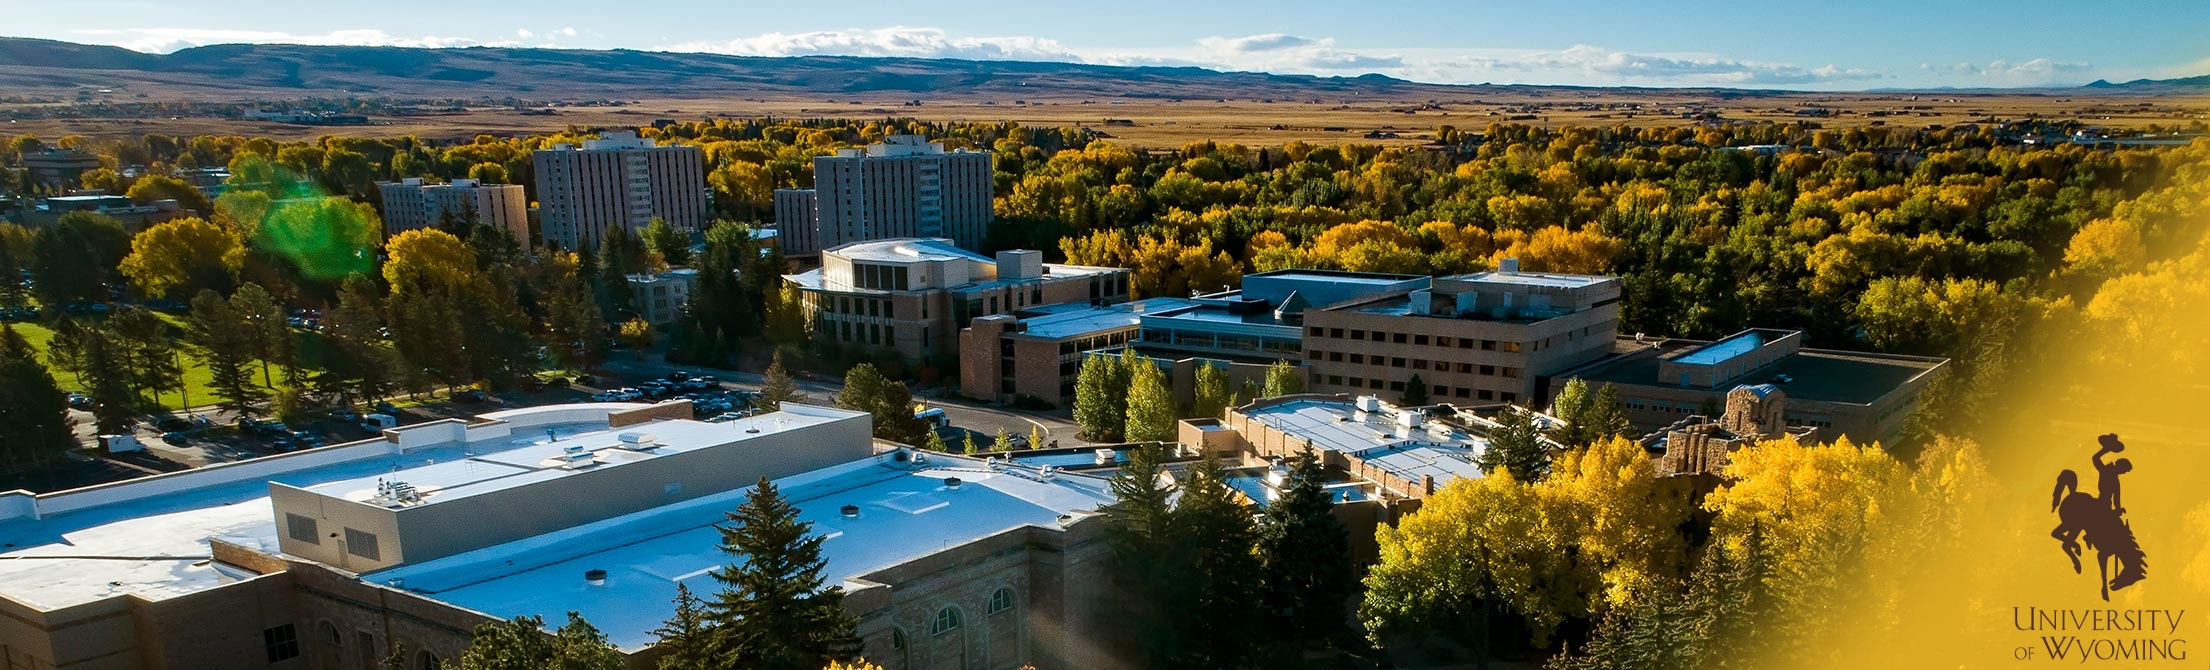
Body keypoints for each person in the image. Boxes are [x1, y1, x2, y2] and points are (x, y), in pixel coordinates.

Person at [2094, 433, 2130, 515]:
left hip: (2105, 504)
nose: (2124, 473)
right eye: (2124, 470)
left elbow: (2116, 497)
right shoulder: (2108, 473)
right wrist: (2105, 449)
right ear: (2121, 467)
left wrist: (2105, 449)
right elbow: (2116, 498)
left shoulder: (2107, 471)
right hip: (2104, 505)